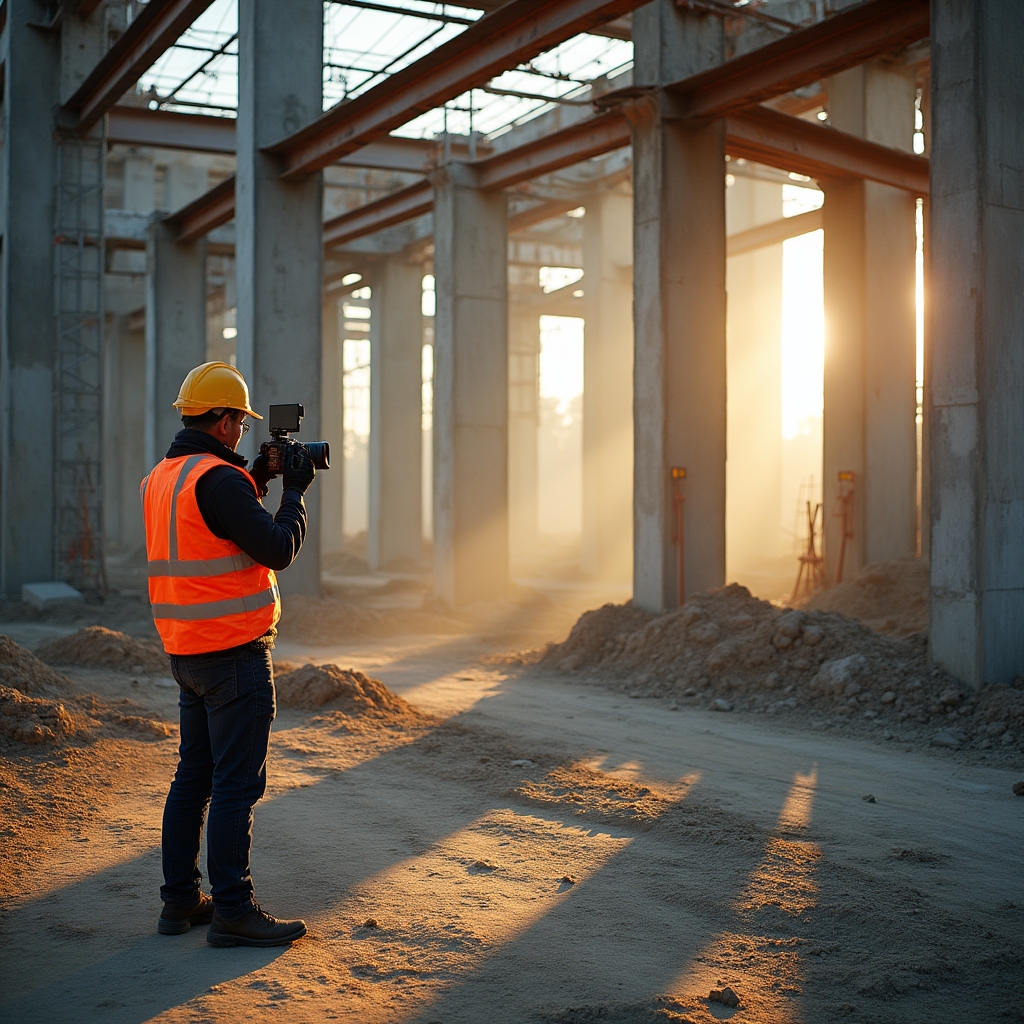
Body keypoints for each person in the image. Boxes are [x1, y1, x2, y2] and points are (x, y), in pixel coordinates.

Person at [141, 361, 316, 947]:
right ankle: (234, 912)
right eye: (239, 421)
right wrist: (292, 490)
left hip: (187, 651)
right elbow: (276, 548)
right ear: (221, 422)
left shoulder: (167, 475)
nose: (243, 430)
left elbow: (211, 518)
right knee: (237, 784)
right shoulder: (219, 480)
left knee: (194, 777)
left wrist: (255, 475)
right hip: (234, 655)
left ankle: (180, 902)